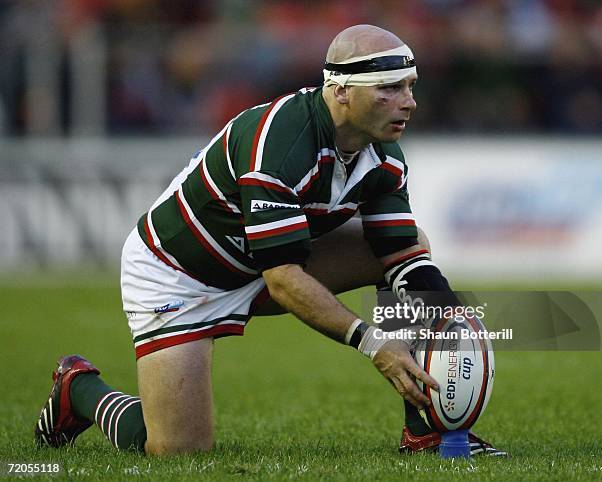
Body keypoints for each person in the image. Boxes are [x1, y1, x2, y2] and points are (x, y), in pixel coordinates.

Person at [35, 24, 504, 456]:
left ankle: (424, 430)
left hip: (262, 265)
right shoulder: (277, 143)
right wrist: (373, 342)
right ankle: (79, 390)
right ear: (340, 91)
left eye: (410, 87)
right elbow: (282, 280)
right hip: (177, 276)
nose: (409, 101)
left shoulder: (386, 158)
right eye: (390, 88)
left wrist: (449, 318)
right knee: (177, 450)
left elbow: (401, 254)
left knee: (410, 245)